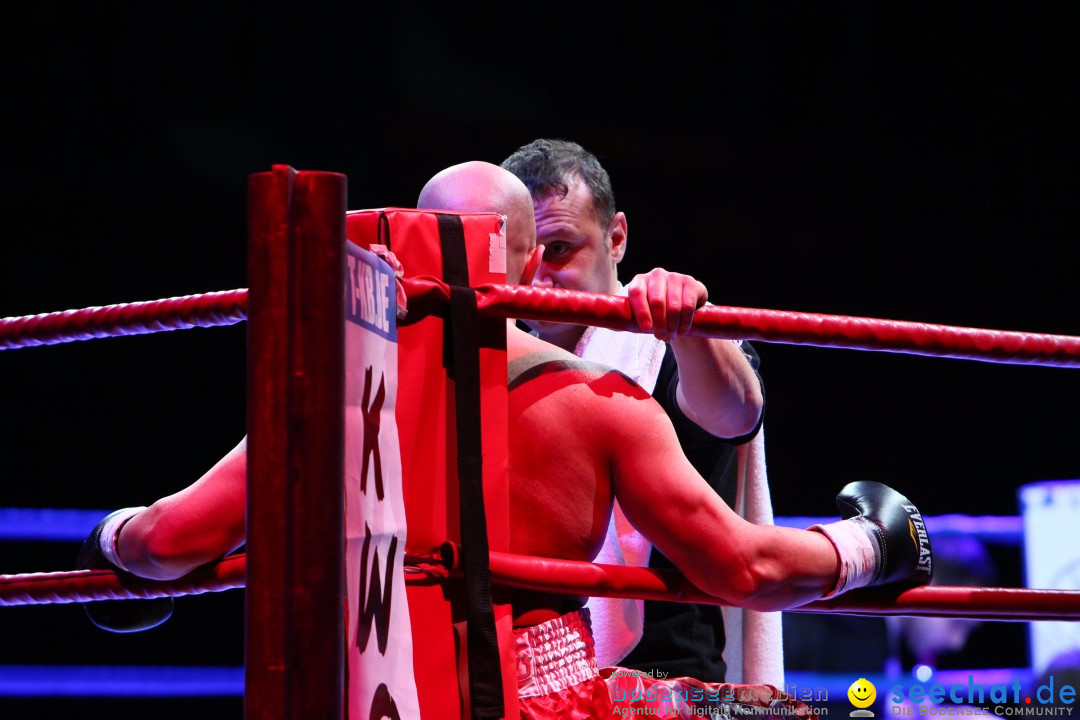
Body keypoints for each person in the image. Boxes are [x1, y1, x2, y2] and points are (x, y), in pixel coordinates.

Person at [79, 161, 933, 718]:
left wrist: (112, 537)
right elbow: (748, 568)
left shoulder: (328, 398)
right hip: (543, 702)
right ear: (527, 267)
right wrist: (874, 543)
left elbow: (164, 545)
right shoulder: (599, 401)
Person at [501, 139, 774, 682]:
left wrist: (690, 328)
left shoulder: (661, 347)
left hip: (665, 678)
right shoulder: (494, 353)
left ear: (616, 238)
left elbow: (736, 414)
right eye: (525, 255)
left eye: (560, 250)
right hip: (534, 677)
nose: (537, 280)